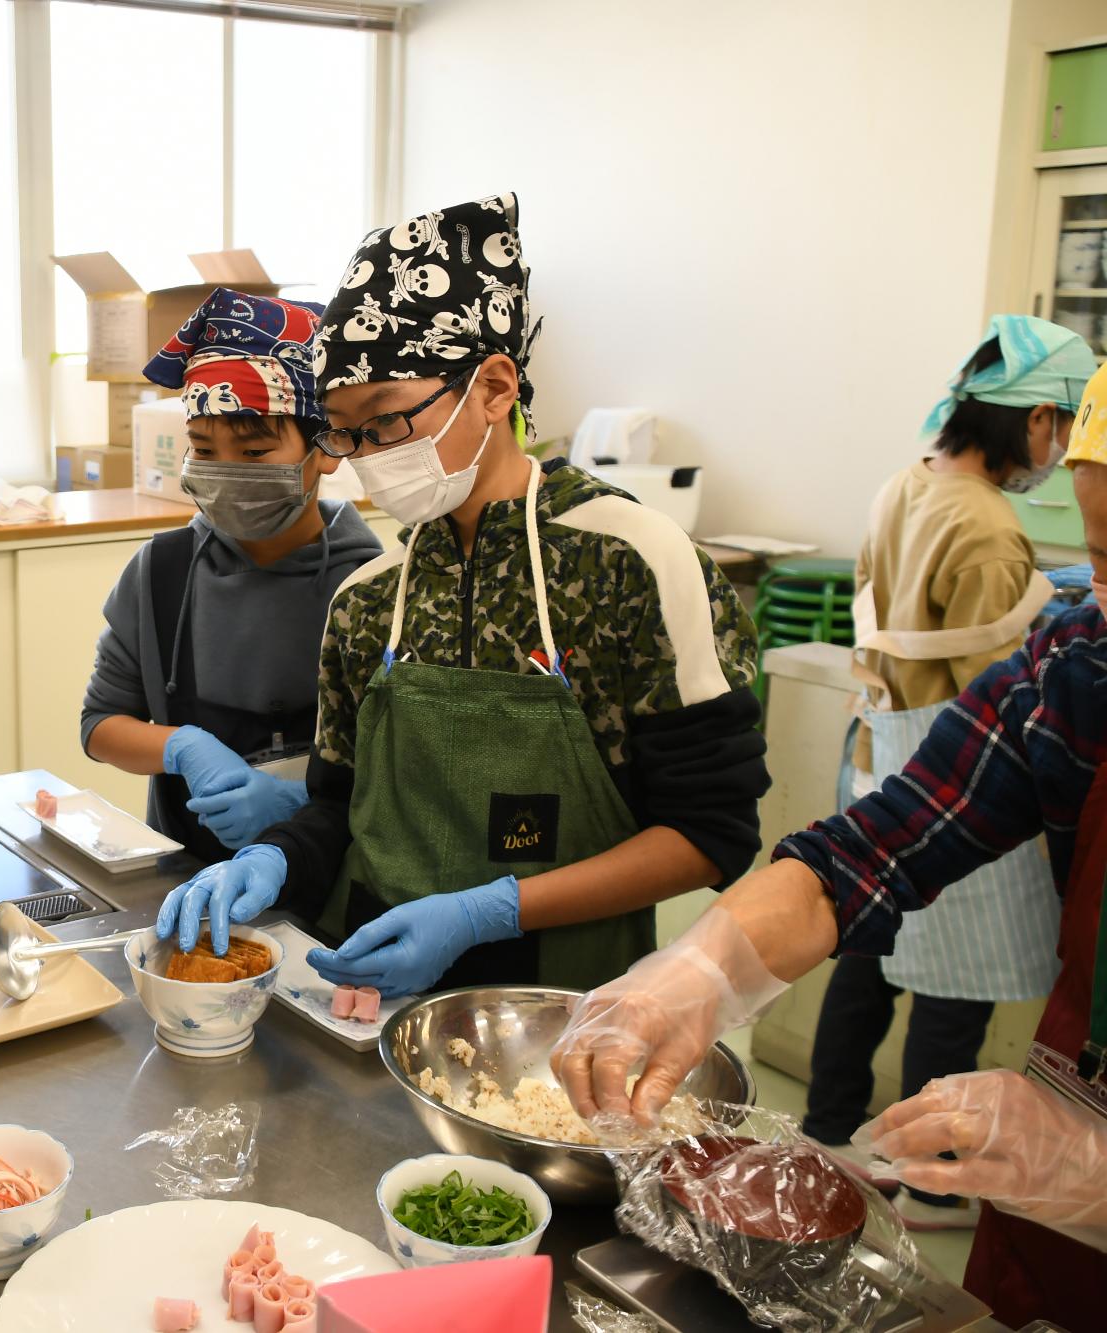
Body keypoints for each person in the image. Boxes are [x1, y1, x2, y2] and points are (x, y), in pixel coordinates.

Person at [551, 364, 1107, 1328]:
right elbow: (873, 850)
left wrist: (1096, 1170)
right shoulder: (1081, 670)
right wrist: (694, 972)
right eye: (1105, 556)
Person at [156, 194, 769, 997]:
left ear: (493, 385)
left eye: (385, 420)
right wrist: (276, 852)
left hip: (554, 1005)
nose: (368, 456)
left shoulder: (633, 566)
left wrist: (492, 910)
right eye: (344, 431)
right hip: (368, 987)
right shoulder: (368, 600)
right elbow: (341, 808)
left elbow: (712, 832)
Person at [804, 315, 1090, 1229]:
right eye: (1064, 424)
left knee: (866, 956)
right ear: (1037, 421)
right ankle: (932, 1182)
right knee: (953, 986)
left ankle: (824, 1131)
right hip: (947, 772)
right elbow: (1005, 700)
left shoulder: (908, 483)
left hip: (877, 748)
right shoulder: (992, 528)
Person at [82, 288, 381, 860]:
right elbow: (100, 725)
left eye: (253, 453)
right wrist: (182, 747)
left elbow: (404, 773)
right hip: (190, 883)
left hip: (333, 884)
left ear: (325, 447)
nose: (224, 475)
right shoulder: (161, 574)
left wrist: (302, 802)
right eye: (203, 448)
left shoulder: (370, 586)